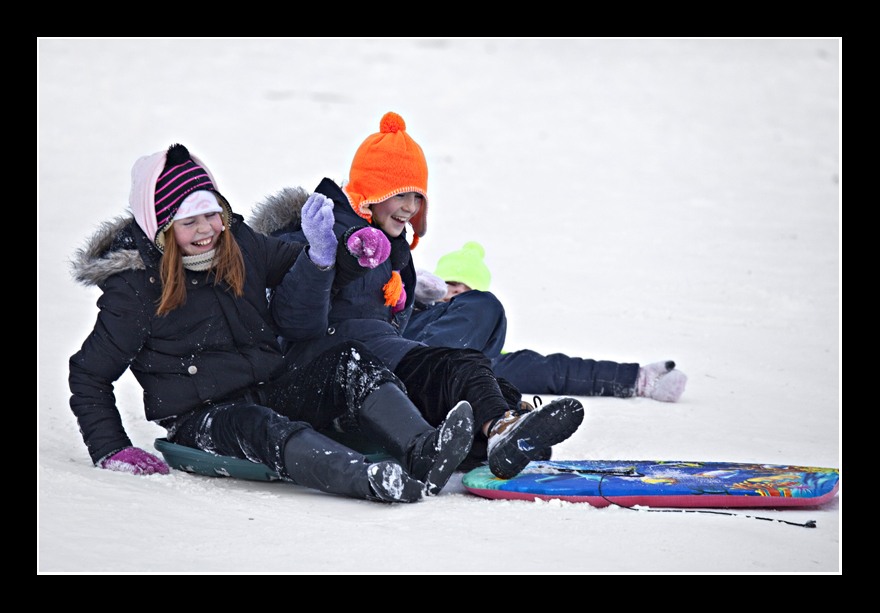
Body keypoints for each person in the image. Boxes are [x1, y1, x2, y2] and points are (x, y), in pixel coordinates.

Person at [67, 142, 476, 504]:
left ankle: (422, 447)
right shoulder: (137, 289)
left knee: (347, 359)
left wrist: (343, 257)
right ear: (162, 229)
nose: (207, 230)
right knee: (260, 426)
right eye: (189, 222)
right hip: (201, 415)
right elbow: (89, 374)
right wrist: (111, 447)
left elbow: (300, 265)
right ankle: (365, 478)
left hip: (268, 384)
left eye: (211, 215)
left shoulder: (240, 243)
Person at [252, 112, 584, 481]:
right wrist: (320, 259)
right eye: (400, 194)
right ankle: (497, 431)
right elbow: (293, 323)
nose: (411, 206)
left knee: (474, 380)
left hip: (380, 357)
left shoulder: (394, 252)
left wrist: (413, 295)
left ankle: (503, 430)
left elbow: (387, 321)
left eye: (417, 196)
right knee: (459, 367)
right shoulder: (316, 231)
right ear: (371, 191)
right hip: (324, 372)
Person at [404, 241, 688, 401]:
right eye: (448, 287)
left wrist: (638, 378)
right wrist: (411, 296)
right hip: (408, 368)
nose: (454, 295)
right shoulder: (413, 316)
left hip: (466, 373)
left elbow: (559, 371)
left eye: (464, 292)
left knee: (530, 374)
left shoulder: (495, 360)